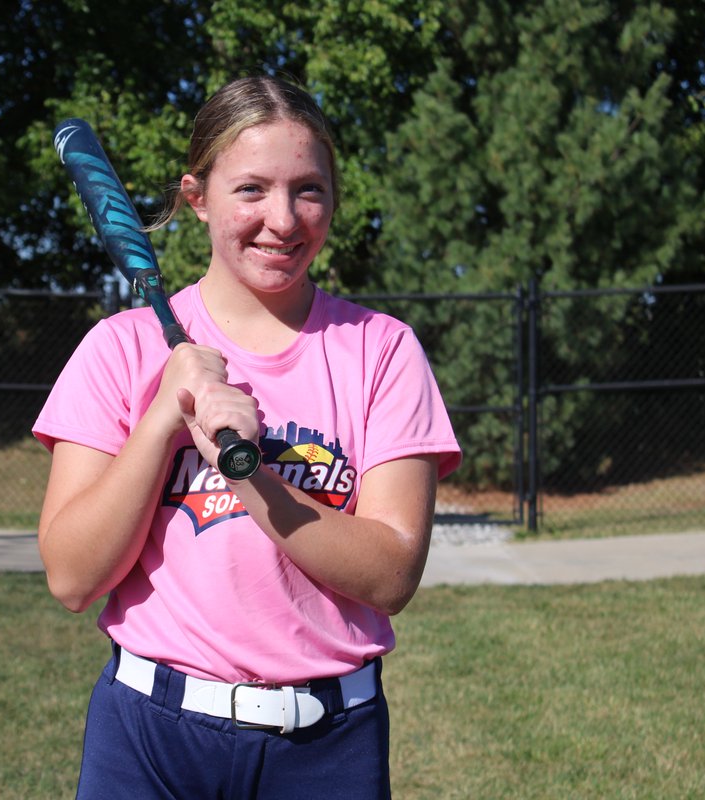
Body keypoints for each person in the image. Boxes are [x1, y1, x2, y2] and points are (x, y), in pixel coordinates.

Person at [33, 75, 461, 799]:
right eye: (252, 189)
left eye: (309, 190)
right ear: (197, 197)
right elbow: (74, 578)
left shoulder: (380, 350)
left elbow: (390, 575)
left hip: (328, 745)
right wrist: (165, 417)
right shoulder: (121, 349)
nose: (284, 219)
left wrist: (246, 472)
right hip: (149, 738)